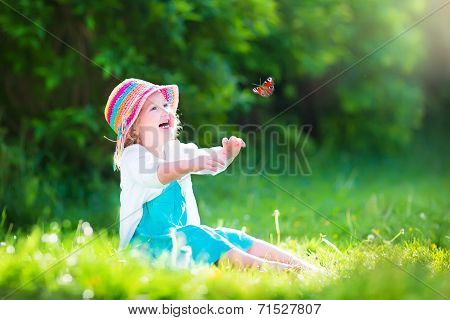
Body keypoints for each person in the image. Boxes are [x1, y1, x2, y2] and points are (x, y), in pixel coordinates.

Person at [104, 78, 321, 273]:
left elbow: (208, 160)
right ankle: (278, 271)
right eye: (153, 108)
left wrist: (225, 155)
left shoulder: (175, 150)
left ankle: (303, 267)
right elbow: (157, 175)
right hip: (146, 249)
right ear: (133, 129)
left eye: (166, 105)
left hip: (179, 239)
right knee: (198, 236)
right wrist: (190, 163)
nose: (165, 111)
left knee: (230, 236)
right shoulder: (133, 157)